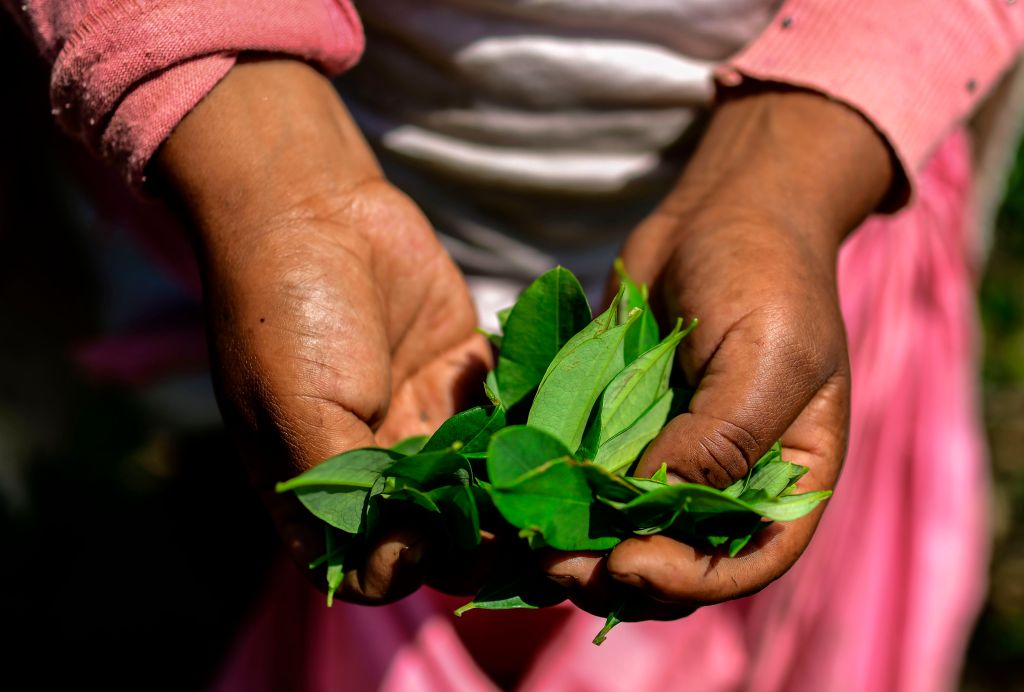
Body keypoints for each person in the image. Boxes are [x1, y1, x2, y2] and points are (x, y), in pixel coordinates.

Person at [5, 1, 1023, 689]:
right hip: (239, 180)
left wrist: (802, 159)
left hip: (803, 209)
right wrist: (242, 136)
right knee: (257, 460)